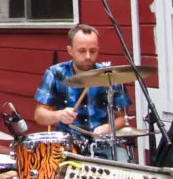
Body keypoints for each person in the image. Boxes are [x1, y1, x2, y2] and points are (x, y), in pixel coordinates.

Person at [34, 23, 132, 158]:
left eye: (93, 51)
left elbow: (122, 118)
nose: (88, 56)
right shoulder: (56, 73)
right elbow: (39, 115)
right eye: (82, 51)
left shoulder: (110, 76)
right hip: (67, 146)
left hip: (103, 144)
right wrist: (59, 115)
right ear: (70, 50)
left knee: (124, 165)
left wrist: (108, 127)